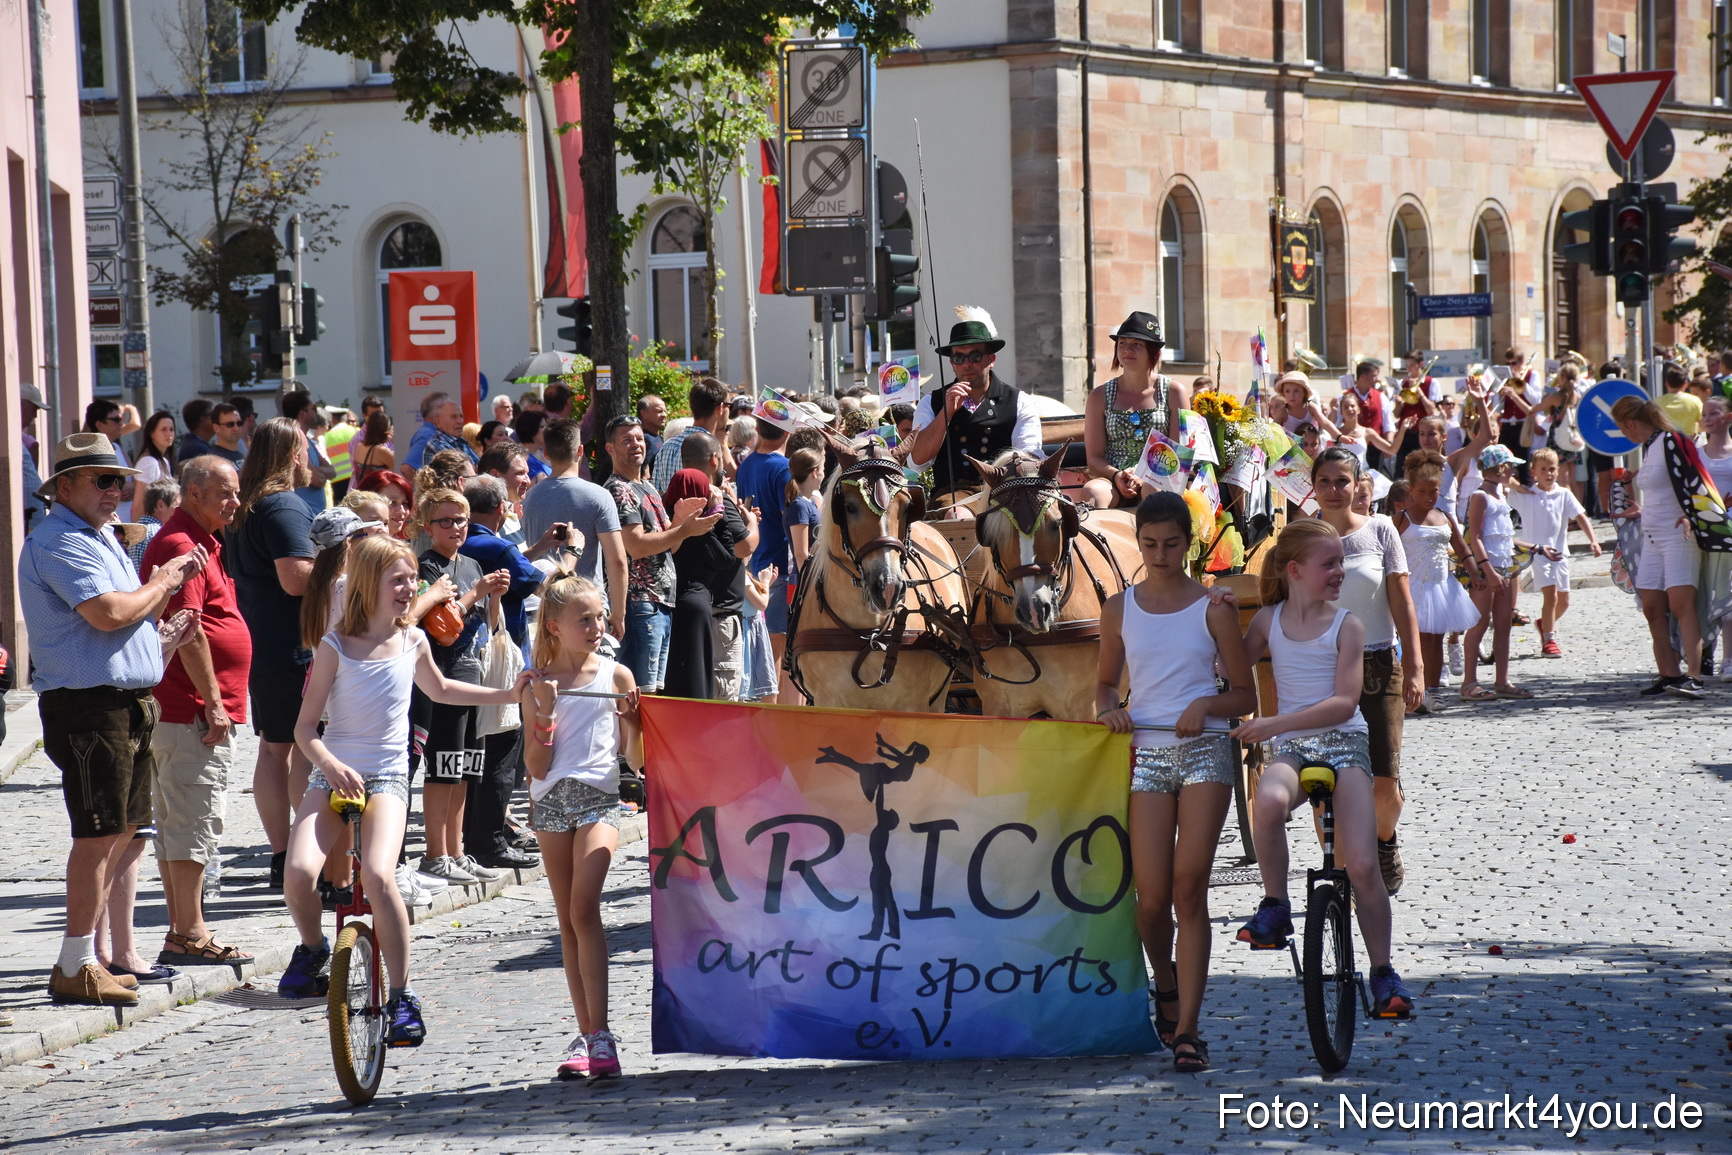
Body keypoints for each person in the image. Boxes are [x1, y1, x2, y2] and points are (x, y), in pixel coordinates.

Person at [280, 535, 528, 1045]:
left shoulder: (412, 640)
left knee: (377, 874)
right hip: (333, 771)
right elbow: (305, 729)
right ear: (369, 585)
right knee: (300, 872)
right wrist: (329, 764)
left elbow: (440, 689)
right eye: (399, 580)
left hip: (389, 775)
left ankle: (401, 996)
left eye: (412, 578)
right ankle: (312, 949)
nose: (410, 588)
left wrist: (508, 693)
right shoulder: (335, 646)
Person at [20, 433, 208, 1006]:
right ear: (66, 486)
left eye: (119, 480)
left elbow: (126, 616)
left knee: (124, 832)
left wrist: (158, 636)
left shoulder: (97, 536)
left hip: (123, 701)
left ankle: (92, 958)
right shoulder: (58, 542)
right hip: (89, 706)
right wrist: (166, 580)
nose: (115, 490)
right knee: (98, 833)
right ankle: (75, 962)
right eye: (103, 480)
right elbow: (107, 615)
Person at [1095, 493, 1255, 1074]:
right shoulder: (1119, 609)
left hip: (1205, 752)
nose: (1160, 555)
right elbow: (1106, 685)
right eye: (1150, 544)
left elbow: (1245, 696)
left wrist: (1207, 704)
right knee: (1150, 898)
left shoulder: (1213, 608)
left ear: (1189, 543)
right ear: (1138, 542)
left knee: (1190, 889)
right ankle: (1164, 981)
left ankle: (1188, 1027)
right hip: (1148, 755)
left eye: (1171, 544)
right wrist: (1110, 709)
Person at [1232, 519, 1412, 1020]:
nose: (1340, 572)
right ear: (1294, 570)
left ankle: (1383, 973)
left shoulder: (1347, 624)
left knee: (1360, 864)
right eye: (1328, 563)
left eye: (1340, 562)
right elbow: (1228, 668)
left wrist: (1273, 723)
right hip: (1292, 748)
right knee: (1266, 802)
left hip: (1343, 743)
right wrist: (1219, 616)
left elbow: (1342, 703)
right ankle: (1275, 905)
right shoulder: (1266, 621)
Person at [521, 575, 640, 1079]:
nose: (596, 627)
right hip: (550, 804)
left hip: (600, 799)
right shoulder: (537, 682)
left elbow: (636, 757)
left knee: (583, 907)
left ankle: (603, 1033)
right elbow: (536, 766)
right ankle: (588, 1033)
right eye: (584, 619)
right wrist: (544, 713)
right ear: (555, 626)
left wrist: (633, 720)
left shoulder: (616, 675)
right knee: (567, 920)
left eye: (599, 616)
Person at [139, 457, 256, 966]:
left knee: (180, 822)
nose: (234, 501)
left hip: (187, 709)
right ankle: (189, 932)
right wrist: (214, 703)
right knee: (193, 821)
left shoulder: (204, 541)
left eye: (236, 492)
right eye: (224, 493)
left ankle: (184, 928)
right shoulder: (181, 545)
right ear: (191, 492)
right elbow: (188, 628)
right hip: (189, 710)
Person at [1307, 448, 1422, 895]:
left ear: (1358, 486)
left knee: (1384, 787)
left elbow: (1402, 601)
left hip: (1378, 666)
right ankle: (1336, 875)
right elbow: (1279, 602)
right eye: (1325, 482)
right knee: (1324, 785)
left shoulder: (1381, 530)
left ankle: (1383, 839)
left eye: (1342, 481)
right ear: (1313, 487)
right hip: (1320, 671)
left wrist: (1414, 666)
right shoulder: (1299, 536)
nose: (1334, 490)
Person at [228, 418, 319, 888]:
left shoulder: (248, 505)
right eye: (305, 449)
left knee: (274, 748)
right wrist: (342, 559)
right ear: (293, 455)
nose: (311, 458)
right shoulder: (283, 505)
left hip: (264, 640)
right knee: (302, 747)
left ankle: (284, 857)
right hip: (291, 645)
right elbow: (296, 578)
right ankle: (300, 858)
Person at [413, 487, 514, 884]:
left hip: (472, 674)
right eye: (445, 520)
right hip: (442, 677)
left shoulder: (471, 563)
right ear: (428, 526)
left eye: (461, 520)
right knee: (443, 767)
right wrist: (479, 592)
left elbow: (485, 628)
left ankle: (457, 852)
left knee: (466, 768)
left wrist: (494, 597)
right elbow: (444, 628)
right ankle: (436, 853)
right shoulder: (427, 567)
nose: (455, 527)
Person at [458, 475, 548, 870]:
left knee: (472, 754)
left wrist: (540, 545)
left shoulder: (460, 544)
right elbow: (545, 585)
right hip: (499, 663)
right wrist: (572, 551)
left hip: (461, 661)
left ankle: (471, 836)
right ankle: (489, 839)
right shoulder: (497, 545)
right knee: (501, 749)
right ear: (501, 508)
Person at [1613, 394, 1727, 699]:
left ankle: (1694, 676)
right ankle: (1668, 673)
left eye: (1622, 429)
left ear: (1630, 423)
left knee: (1681, 605)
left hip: (1679, 534)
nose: (1624, 435)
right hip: (1652, 535)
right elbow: (1662, 492)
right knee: (1652, 608)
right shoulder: (1649, 447)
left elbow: (1697, 482)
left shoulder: (1674, 441)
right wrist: (1640, 510)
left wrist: (1694, 517)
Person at [602, 415, 715, 694]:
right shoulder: (619, 490)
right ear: (610, 449)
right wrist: (683, 530)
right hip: (641, 606)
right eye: (626, 440)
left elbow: (669, 546)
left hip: (660, 603)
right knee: (641, 694)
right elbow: (637, 545)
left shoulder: (648, 487)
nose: (636, 445)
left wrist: (679, 522)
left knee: (653, 692)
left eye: (639, 438)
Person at [908, 307, 1044, 504]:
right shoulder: (931, 402)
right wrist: (946, 414)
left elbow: (1029, 455)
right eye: (959, 357)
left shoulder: (1019, 401)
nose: (967, 364)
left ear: (991, 360)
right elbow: (917, 461)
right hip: (953, 495)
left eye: (975, 356)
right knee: (956, 513)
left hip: (1005, 491)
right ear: (951, 363)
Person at [521, 417, 629, 643]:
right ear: (580, 450)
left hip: (544, 607)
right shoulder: (598, 496)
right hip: (587, 607)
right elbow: (617, 559)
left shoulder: (529, 497)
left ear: (546, 453)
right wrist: (618, 613)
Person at [1078, 312, 1189, 509]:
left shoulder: (1173, 392)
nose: (1127, 349)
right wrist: (1117, 475)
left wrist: (1143, 475)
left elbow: (1178, 453)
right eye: (1122, 343)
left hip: (1161, 476)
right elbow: (1094, 458)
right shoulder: (1099, 396)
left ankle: (1155, 539)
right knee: (1092, 492)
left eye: (1137, 344)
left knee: (1153, 492)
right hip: (1112, 477)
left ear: (1154, 351)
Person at [1395, 451, 1480, 711]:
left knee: (1435, 639)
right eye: (1423, 491)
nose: (1430, 496)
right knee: (1415, 641)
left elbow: (1462, 548)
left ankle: (1433, 689)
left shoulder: (1444, 516)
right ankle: (1411, 691)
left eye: (1434, 491)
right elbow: (1391, 551)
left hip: (1441, 586)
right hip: (1414, 587)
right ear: (1411, 489)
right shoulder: (1402, 519)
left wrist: (1476, 573)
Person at [679, 429, 756, 699]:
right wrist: (753, 525)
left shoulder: (678, 496)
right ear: (714, 459)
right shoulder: (715, 498)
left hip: (699, 611)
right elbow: (741, 547)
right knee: (723, 700)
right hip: (720, 616)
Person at [1507, 447, 1599, 658]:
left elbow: (1581, 517)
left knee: (1564, 601)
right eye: (1543, 470)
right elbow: (1505, 487)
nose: (1549, 474)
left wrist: (1593, 540)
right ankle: (1549, 640)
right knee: (1551, 596)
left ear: (1558, 470)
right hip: (1538, 553)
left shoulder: (1564, 494)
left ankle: (1544, 624)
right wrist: (1517, 484)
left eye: (1552, 469)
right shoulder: (1527, 496)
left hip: (1560, 553)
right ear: (1534, 472)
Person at [1460, 445, 1535, 702]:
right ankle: (1469, 682)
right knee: (1479, 624)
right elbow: (1476, 537)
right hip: (1486, 570)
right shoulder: (1480, 496)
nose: (1514, 469)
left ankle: (1502, 680)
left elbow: (1506, 536)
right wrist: (1488, 571)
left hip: (1506, 567)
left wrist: (1534, 547)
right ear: (1500, 467)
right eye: (1511, 465)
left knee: (1504, 624)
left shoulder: (1501, 494)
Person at [734, 419, 794, 699]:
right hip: (778, 566)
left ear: (757, 430)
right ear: (787, 431)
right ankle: (776, 713)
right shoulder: (784, 467)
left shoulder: (746, 464)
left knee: (763, 645)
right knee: (774, 647)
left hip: (754, 562)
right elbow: (790, 518)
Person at [652, 378, 731, 495]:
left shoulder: (667, 445)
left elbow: (657, 493)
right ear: (720, 408)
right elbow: (713, 496)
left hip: (671, 513)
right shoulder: (709, 447)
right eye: (730, 406)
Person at [783, 448, 825, 591]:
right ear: (814, 472)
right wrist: (812, 585)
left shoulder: (809, 502)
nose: (823, 475)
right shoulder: (799, 505)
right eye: (823, 470)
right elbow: (801, 554)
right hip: (805, 581)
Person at [1495, 348, 1540, 482]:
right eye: (1507, 364)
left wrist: (1522, 383)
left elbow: (1536, 400)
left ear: (1522, 362)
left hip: (1523, 424)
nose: (1510, 367)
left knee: (1523, 465)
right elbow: (1499, 406)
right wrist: (1499, 393)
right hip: (1507, 424)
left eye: (1514, 363)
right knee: (1505, 463)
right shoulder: (1505, 378)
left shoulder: (1532, 375)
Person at [404, 391, 479, 471]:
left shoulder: (459, 441)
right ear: (438, 420)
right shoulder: (428, 435)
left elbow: (480, 466)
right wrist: (420, 483)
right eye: (454, 417)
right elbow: (406, 468)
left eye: (461, 416)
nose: (460, 421)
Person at [131, 411, 178, 523]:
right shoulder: (148, 462)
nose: (169, 434)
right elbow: (139, 504)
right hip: (150, 526)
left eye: (171, 429)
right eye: (163, 429)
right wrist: (138, 535)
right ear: (151, 433)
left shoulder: (164, 461)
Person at [126, 478, 180, 571]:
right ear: (160, 505)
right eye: (177, 506)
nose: (180, 512)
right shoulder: (160, 534)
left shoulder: (132, 530)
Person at [357, 469, 415, 540]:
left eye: (405, 503)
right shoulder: (351, 548)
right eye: (392, 502)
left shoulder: (399, 548)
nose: (402, 510)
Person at [353, 409, 396, 488]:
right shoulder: (381, 450)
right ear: (385, 430)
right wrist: (395, 442)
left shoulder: (360, 446)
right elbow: (399, 463)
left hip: (362, 493)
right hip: (377, 494)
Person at [1656, 364, 1703, 436]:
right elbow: (1702, 425)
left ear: (1666, 383)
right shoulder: (1695, 401)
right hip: (1688, 442)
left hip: (1664, 443)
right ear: (1685, 384)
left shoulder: (1656, 403)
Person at [325, 407, 358, 503]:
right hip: (354, 477)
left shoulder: (327, 436)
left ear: (333, 419)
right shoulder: (355, 431)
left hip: (336, 481)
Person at [637, 393, 668, 465]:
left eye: (664, 411)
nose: (664, 415)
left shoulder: (658, 437)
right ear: (644, 414)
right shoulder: (642, 439)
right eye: (659, 411)